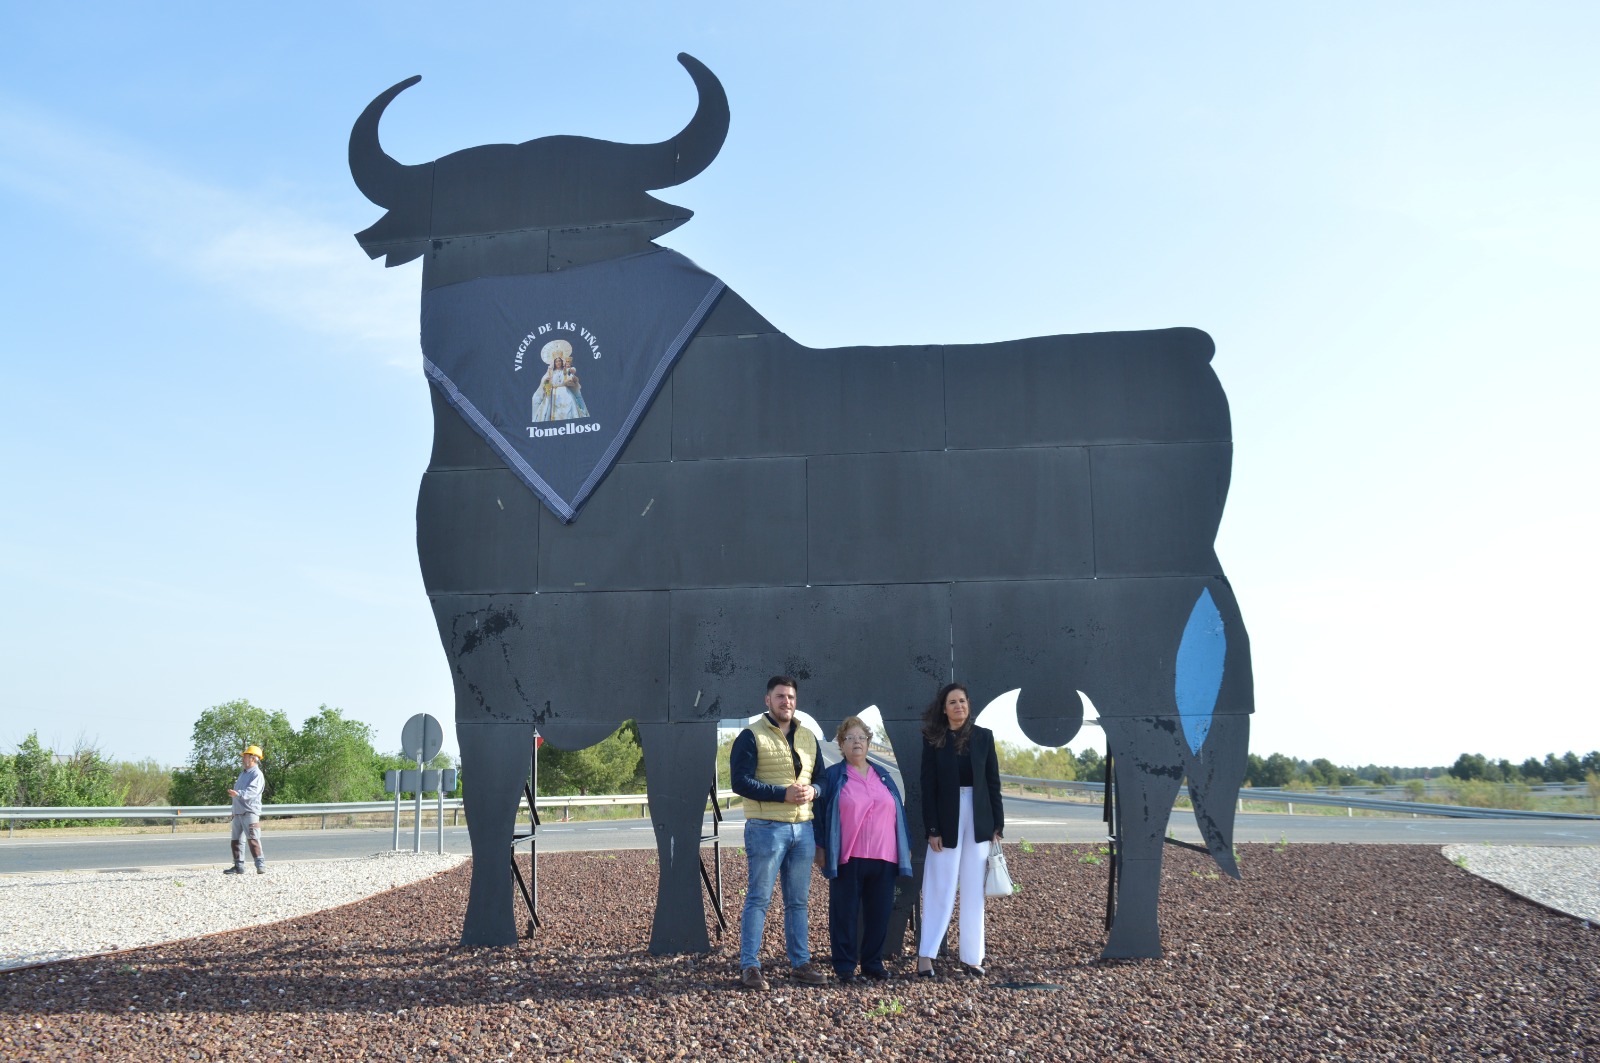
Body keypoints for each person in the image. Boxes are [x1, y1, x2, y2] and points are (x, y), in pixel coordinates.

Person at [728, 676, 829, 989]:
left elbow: (823, 779)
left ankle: (800, 963)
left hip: (803, 829)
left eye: (791, 697)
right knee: (758, 899)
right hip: (766, 828)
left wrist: (814, 790)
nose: (787, 702)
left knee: (798, 902)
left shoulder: (808, 737)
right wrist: (781, 794)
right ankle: (750, 966)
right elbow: (740, 782)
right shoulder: (750, 736)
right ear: (767, 700)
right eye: (781, 696)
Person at [811, 716, 912, 982]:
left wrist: (906, 846)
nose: (857, 742)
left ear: (868, 743)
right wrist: (819, 846)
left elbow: (897, 811)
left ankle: (872, 964)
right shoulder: (833, 776)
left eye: (861, 738)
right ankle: (844, 966)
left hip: (885, 856)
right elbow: (818, 813)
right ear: (841, 745)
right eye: (850, 738)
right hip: (848, 856)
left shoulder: (883, 775)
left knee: (879, 914)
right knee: (844, 914)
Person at [916, 682, 1003, 977]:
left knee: (974, 890)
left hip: (979, 819)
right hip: (945, 821)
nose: (959, 706)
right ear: (944, 708)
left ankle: (972, 958)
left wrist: (997, 824)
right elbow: (928, 787)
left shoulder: (984, 737)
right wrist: (932, 828)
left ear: (969, 704)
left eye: (962, 701)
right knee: (939, 887)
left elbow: (993, 782)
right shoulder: (934, 739)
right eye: (952, 702)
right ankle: (926, 956)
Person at [224, 744, 266, 875]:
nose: (243, 758)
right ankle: (238, 866)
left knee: (253, 839)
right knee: (236, 840)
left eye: (245, 756)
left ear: (253, 758)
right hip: (238, 812)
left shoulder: (257, 774)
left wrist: (238, 794)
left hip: (250, 812)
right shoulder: (243, 773)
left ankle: (260, 865)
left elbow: (252, 791)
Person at [531, 340, 590, 422]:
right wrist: (546, 381)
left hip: (566, 392)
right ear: (554, 363)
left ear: (562, 361)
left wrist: (572, 376)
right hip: (554, 394)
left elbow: (574, 378)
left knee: (570, 405)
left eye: (559, 361)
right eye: (556, 361)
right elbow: (544, 382)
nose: (558, 363)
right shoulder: (550, 372)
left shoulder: (565, 370)